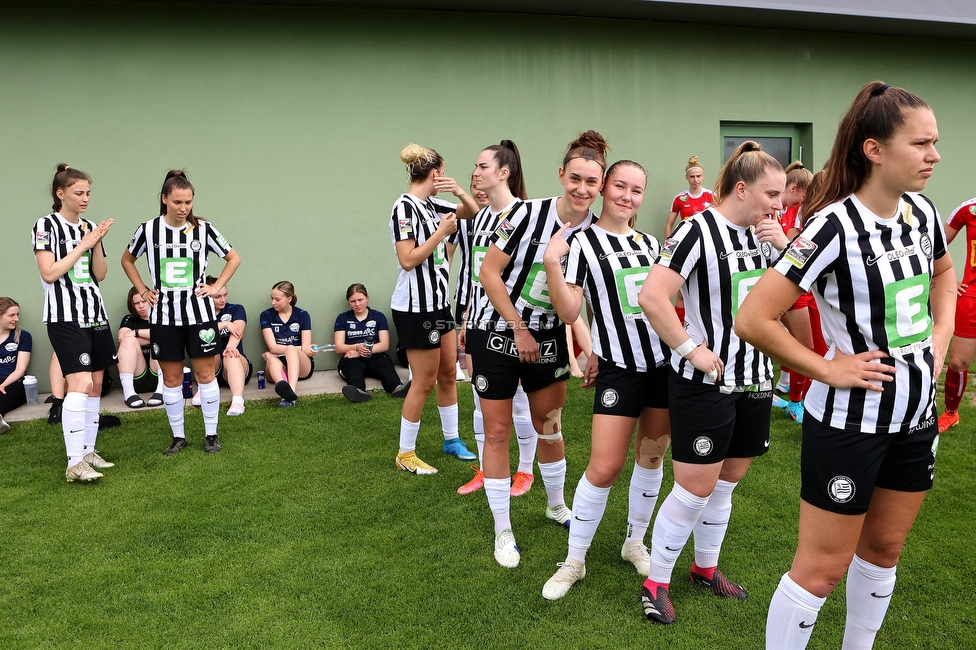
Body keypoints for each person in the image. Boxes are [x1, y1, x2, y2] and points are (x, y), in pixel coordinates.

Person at [734, 81, 953, 649]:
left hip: (916, 418)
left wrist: (941, 334)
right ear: (874, 150)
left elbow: (944, 274)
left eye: (936, 143)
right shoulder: (830, 227)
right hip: (850, 424)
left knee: (883, 553)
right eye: (922, 143)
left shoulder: (924, 213)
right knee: (822, 570)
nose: (934, 155)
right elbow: (754, 318)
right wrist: (827, 369)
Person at [637, 141, 788, 623]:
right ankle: (655, 580)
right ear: (741, 189)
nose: (779, 205)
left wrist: (785, 249)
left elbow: (805, 293)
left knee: (728, 481)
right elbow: (653, 296)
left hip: (755, 377)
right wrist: (691, 349)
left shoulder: (768, 235)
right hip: (706, 382)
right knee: (695, 485)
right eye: (772, 194)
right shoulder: (698, 230)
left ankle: (705, 569)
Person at [474, 131, 608, 568]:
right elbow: (488, 273)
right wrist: (518, 329)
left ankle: (555, 506)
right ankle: (503, 531)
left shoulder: (597, 233)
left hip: (550, 336)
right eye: (575, 178)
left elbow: (584, 302)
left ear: (601, 185)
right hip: (496, 331)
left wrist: (591, 349)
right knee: (497, 431)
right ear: (560, 175)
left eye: (592, 181)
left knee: (548, 424)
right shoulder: (526, 214)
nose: (582, 189)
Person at [540, 159, 673, 599]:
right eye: (620, 186)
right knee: (604, 465)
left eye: (637, 190)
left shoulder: (653, 244)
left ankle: (634, 541)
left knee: (651, 458)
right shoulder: (580, 243)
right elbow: (569, 312)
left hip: (662, 365)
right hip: (620, 368)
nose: (627, 197)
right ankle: (574, 559)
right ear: (604, 189)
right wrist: (552, 265)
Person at [122, 169, 241, 455]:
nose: (183, 208)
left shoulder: (204, 229)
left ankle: (211, 435)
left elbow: (233, 258)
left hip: (199, 316)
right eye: (177, 202)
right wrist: (142, 290)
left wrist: (216, 288)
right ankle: (178, 437)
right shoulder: (148, 229)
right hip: (164, 318)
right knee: (172, 379)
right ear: (164, 199)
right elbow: (127, 260)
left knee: (205, 375)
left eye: (188, 202)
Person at [390, 144, 479, 475]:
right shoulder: (404, 207)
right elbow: (408, 259)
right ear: (435, 172)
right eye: (444, 172)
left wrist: (458, 190)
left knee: (447, 374)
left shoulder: (432, 204)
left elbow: (471, 211)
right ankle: (405, 453)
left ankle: (451, 439)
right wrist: (442, 232)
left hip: (439, 303)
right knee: (423, 381)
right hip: (416, 308)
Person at [456, 146, 537, 498]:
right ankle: (487, 471)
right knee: (480, 398)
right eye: (475, 166)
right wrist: (467, 320)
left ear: (503, 172)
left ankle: (525, 471)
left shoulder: (524, 214)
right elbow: (479, 277)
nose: (475, 172)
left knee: (519, 402)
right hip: (478, 323)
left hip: (513, 326)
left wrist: (521, 325)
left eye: (482, 166)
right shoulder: (482, 217)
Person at [34, 164, 117, 481]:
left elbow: (100, 275)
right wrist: (82, 245)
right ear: (61, 193)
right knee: (79, 383)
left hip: (94, 313)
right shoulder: (46, 225)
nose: (85, 198)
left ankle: (87, 451)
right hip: (65, 316)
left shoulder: (90, 226)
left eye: (88, 193)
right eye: (79, 193)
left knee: (95, 384)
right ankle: (73, 463)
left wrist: (95, 243)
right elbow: (50, 272)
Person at [772, 161, 816, 423]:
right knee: (804, 345)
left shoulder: (791, 208)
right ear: (795, 188)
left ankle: (789, 392)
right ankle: (794, 399)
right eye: (805, 194)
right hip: (784, 286)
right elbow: (790, 250)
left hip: (792, 286)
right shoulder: (781, 209)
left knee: (801, 343)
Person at [938, 196, 976, 432]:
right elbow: (932, 244)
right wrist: (950, 277)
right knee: (958, 361)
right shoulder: (970, 209)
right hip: (972, 298)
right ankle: (951, 412)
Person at [334, 283, 410, 402]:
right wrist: (356, 347)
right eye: (353, 301)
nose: (357, 304)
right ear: (348, 302)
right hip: (352, 358)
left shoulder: (378, 316)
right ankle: (358, 392)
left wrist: (361, 352)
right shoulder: (342, 318)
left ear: (367, 298)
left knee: (386, 367)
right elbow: (339, 347)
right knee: (353, 371)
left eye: (360, 299)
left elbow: (384, 345)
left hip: (375, 355)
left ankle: (397, 388)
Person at [664, 156, 716, 324]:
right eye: (692, 176)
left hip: (708, 247)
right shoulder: (680, 198)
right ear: (687, 177)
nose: (696, 180)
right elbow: (669, 225)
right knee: (681, 292)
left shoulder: (711, 196)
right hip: (687, 247)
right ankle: (677, 328)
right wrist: (669, 247)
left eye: (698, 176)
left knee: (707, 288)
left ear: (703, 176)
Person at [260, 281, 316, 407]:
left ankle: (291, 392)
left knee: (290, 349)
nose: (273, 302)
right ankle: (285, 392)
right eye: (271, 298)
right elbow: (272, 347)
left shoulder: (302, 315)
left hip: (301, 365)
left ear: (289, 298)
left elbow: (305, 349)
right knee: (272, 361)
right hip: (279, 364)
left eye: (277, 299)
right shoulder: (266, 315)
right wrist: (274, 353)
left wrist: (277, 352)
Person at [203, 275, 250, 416]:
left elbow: (238, 330)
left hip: (236, 365)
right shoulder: (200, 313)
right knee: (211, 349)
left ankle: (237, 401)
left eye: (225, 295)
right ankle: (203, 389)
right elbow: (198, 333)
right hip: (212, 367)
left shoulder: (236, 309)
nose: (223, 299)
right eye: (217, 296)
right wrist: (224, 324)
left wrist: (230, 347)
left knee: (231, 354)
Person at [118, 287, 165, 408]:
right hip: (139, 375)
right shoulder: (129, 319)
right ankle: (128, 393)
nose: (141, 306)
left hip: (161, 374)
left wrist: (136, 333)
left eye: (143, 301)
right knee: (128, 342)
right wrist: (149, 335)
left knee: (161, 339)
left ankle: (162, 390)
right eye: (136, 303)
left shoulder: (161, 316)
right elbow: (122, 338)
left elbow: (164, 335)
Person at [0, 298, 32, 434]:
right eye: (11, 315)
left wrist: (3, 384)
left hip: (12, 382)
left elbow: (20, 369)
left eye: (17, 315)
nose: (16, 319)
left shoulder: (23, 336)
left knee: (3, 395)